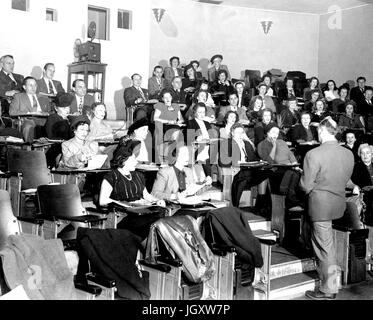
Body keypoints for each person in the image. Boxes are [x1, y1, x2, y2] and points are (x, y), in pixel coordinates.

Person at [301, 117, 354, 300]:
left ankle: (328, 289)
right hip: (338, 204)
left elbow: (306, 186)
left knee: (325, 249)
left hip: (321, 206)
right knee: (328, 246)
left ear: (322, 131)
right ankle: (328, 283)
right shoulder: (348, 153)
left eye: (318, 132)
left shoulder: (313, 154)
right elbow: (345, 178)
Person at [99, 139, 166, 240]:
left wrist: (157, 201)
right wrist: (125, 204)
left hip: (141, 211)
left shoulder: (138, 175)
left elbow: (146, 195)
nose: (136, 162)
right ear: (123, 160)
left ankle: (150, 247)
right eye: (133, 159)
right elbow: (102, 201)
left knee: (160, 213)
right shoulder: (111, 176)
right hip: (124, 215)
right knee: (153, 222)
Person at [219, 123, 265, 204]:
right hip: (237, 170)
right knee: (243, 178)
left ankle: (260, 203)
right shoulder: (227, 143)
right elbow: (222, 160)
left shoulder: (247, 144)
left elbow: (253, 158)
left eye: (242, 133)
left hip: (250, 170)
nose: (240, 135)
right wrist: (236, 162)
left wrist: (260, 161)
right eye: (237, 133)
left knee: (267, 173)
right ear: (232, 133)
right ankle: (235, 204)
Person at [258, 125, 302, 209]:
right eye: (273, 132)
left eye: (277, 133)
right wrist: (274, 146)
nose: (275, 135)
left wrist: (295, 164)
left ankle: (290, 198)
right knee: (291, 173)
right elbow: (268, 162)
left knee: (297, 172)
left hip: (288, 167)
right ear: (267, 133)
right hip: (273, 169)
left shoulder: (281, 142)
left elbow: (290, 154)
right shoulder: (262, 145)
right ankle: (290, 200)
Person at [9, 76, 51, 142]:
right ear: (24, 87)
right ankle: (28, 148)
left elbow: (50, 112)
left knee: (56, 122)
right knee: (28, 126)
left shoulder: (43, 97)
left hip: (43, 119)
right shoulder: (18, 97)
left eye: (35, 85)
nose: (33, 87)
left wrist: (44, 113)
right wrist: (30, 113)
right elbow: (12, 112)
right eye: (30, 85)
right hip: (27, 120)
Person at [186, 103, 218, 177]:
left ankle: (208, 177)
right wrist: (197, 138)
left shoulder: (207, 123)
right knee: (204, 153)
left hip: (209, 146)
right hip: (197, 147)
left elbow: (211, 136)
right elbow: (189, 139)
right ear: (195, 113)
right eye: (199, 112)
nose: (202, 114)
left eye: (203, 112)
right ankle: (209, 176)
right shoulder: (191, 123)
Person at [350, 144, 373, 224]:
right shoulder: (356, 167)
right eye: (363, 153)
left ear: (372, 154)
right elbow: (354, 183)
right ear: (360, 155)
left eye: (368, 153)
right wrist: (355, 186)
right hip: (365, 197)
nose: (365, 155)